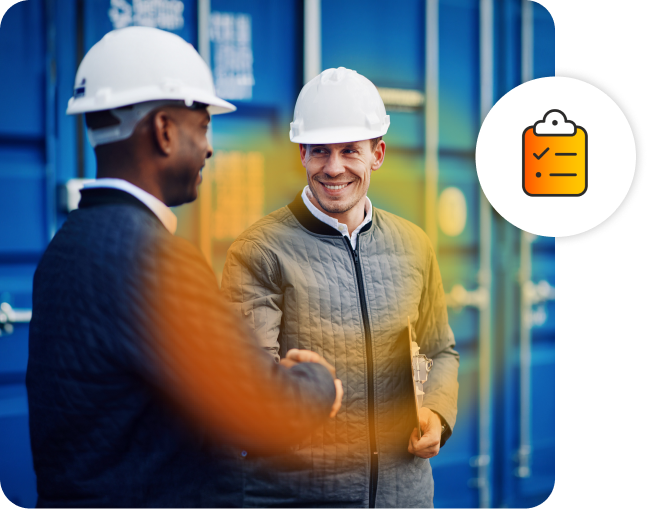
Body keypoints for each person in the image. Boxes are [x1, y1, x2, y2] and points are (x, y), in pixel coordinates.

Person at [26, 27, 342, 509]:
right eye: (203, 125)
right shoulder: (153, 258)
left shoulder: (66, 247)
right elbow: (260, 411)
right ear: (164, 130)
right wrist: (319, 383)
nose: (209, 147)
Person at [221, 67, 460, 508]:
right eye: (319, 152)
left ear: (378, 154)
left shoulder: (413, 244)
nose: (334, 168)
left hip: (402, 497)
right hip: (299, 498)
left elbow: (438, 348)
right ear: (302, 154)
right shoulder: (259, 251)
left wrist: (438, 414)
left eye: (350, 150)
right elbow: (245, 387)